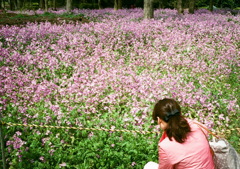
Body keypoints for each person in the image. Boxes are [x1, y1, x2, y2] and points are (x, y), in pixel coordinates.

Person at [144, 98, 214, 169]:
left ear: (159, 120)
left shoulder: (166, 146)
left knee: (149, 166)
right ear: (180, 113)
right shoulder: (197, 126)